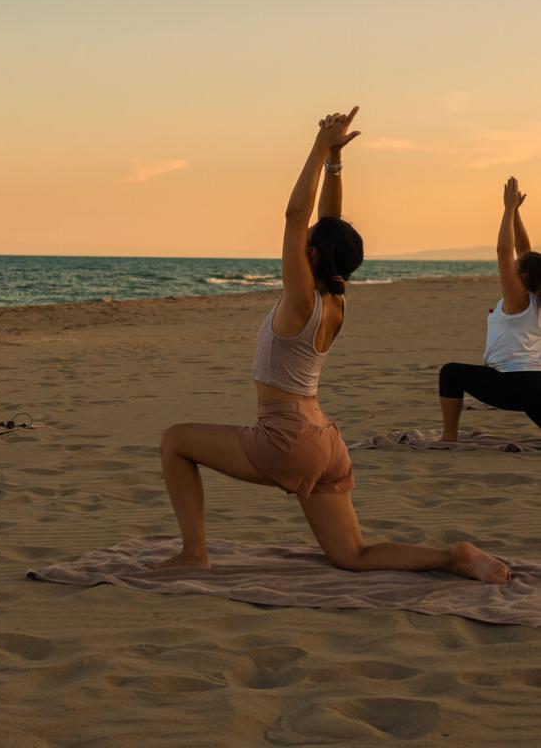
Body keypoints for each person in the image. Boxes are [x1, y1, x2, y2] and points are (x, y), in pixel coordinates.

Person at [157, 109, 511, 584]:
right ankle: (455, 557)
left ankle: (193, 554)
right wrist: (335, 164)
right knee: (353, 554)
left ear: (311, 256)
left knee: (175, 441)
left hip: (284, 440)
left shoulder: (301, 300)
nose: (299, 240)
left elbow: (295, 215)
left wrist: (319, 146)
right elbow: (327, 224)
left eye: (305, 243)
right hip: (326, 442)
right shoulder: (334, 302)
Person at [439, 177, 541, 440]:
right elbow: (524, 251)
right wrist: (517, 213)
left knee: (450, 373)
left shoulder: (519, 299)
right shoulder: (536, 297)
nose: (513, 265)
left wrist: (507, 209)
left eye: (518, 267)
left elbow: (503, 251)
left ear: (525, 278)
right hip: (536, 385)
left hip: (514, 385)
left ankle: (449, 437)